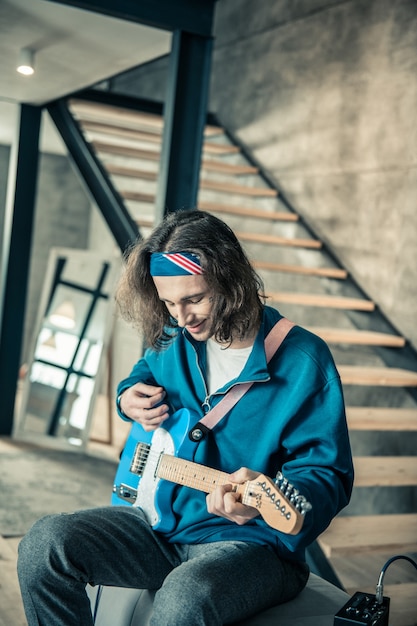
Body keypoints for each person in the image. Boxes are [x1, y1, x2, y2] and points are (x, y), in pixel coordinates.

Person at [17, 209, 354, 626]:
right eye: (168, 303)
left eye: (194, 299)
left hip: (251, 545)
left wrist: (260, 506)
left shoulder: (304, 360)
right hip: (157, 527)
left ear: (231, 278)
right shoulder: (175, 339)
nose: (181, 317)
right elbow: (145, 373)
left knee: (184, 597)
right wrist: (127, 398)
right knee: (43, 545)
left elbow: (326, 474)